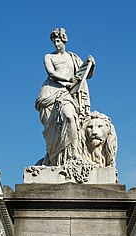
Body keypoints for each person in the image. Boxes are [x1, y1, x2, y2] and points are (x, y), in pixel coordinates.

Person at [35, 28, 95, 166]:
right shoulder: (48, 57)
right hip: (50, 93)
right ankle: (54, 157)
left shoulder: (72, 57)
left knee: (69, 116)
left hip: (66, 93)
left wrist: (91, 64)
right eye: (54, 41)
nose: (56, 44)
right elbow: (51, 73)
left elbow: (85, 75)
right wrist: (69, 80)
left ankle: (74, 153)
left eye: (58, 41)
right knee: (53, 131)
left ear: (64, 40)